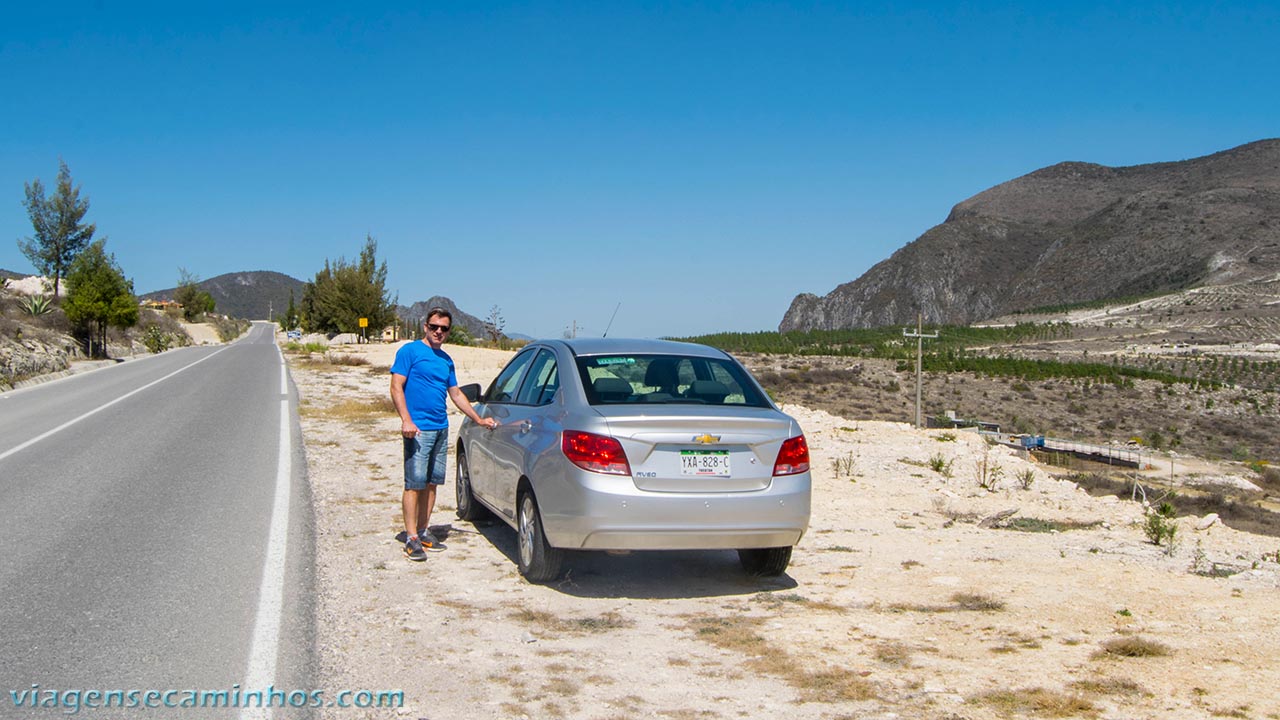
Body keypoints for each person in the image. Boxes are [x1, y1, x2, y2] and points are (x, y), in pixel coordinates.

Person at [390, 308, 497, 561]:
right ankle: (411, 537)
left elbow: (456, 393)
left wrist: (478, 419)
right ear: (425, 327)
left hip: (440, 427)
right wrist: (406, 420)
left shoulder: (446, 360)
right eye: (434, 327)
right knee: (414, 484)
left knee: (432, 482)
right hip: (417, 429)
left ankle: (424, 531)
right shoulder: (409, 352)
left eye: (444, 328)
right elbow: (396, 387)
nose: (439, 332)